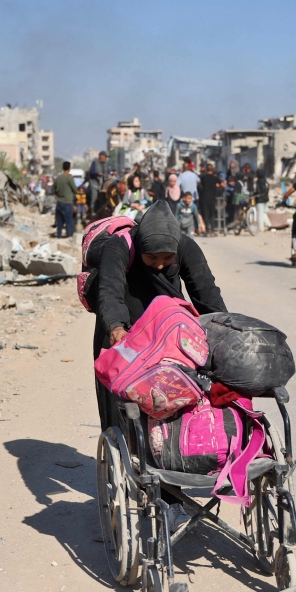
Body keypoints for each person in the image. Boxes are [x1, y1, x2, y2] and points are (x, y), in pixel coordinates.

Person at [93, 203, 227, 530]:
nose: (160, 266)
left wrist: (223, 331)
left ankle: (168, 492)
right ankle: (124, 481)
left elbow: (205, 293)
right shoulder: (118, 247)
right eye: (152, 259)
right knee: (123, 415)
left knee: (170, 411)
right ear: (140, 247)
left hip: (167, 334)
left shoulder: (185, 246)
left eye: (167, 260)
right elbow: (108, 291)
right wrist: (116, 328)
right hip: (124, 336)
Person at [52, 161, 78, 238]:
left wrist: (58, 195)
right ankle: (68, 236)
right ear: (69, 168)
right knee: (68, 221)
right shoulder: (69, 178)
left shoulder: (58, 178)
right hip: (68, 203)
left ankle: (59, 236)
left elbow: (53, 190)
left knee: (59, 221)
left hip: (59, 202)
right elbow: (75, 189)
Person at [197, 163, 223, 235]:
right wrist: (218, 186)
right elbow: (223, 185)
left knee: (206, 214)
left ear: (206, 169)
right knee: (212, 214)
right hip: (212, 197)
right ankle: (212, 230)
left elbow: (200, 184)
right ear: (213, 170)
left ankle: (207, 230)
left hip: (204, 197)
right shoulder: (215, 178)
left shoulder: (203, 177)